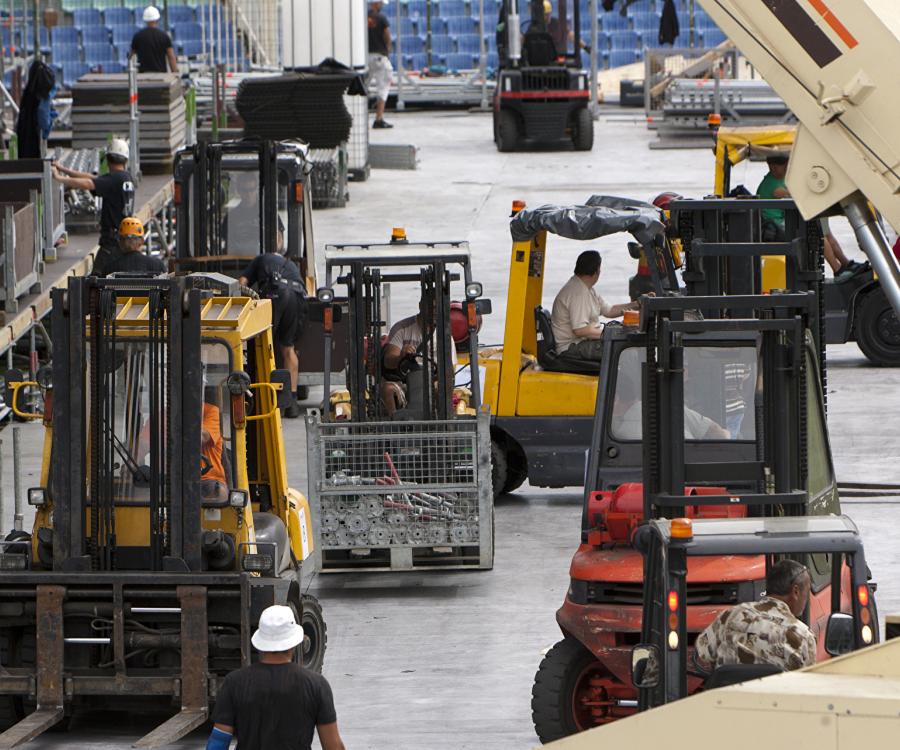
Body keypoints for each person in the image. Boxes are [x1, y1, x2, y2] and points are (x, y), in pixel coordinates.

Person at [208, 605, 345, 750]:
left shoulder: (234, 682)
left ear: (260, 643)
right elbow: (333, 746)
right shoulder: (316, 685)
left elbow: (218, 742)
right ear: (293, 643)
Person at [757, 153, 864, 281]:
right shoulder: (772, 184)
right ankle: (837, 269)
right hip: (776, 226)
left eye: (778, 166)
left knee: (827, 234)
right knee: (818, 234)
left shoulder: (782, 177)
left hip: (784, 221)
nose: (774, 169)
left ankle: (845, 264)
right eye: (772, 166)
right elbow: (795, 195)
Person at [696, 559, 817, 672]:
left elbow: (702, 652)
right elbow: (807, 684)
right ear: (795, 592)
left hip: (726, 693)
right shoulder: (803, 636)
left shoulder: (730, 615)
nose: (806, 600)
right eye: (806, 593)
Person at [239, 244, 305, 419]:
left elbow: (242, 283)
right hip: (297, 295)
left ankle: (265, 397)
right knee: (287, 347)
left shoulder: (260, 259)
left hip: (276, 293)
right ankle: (292, 401)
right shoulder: (289, 264)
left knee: (263, 343)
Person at [52, 137, 135, 276]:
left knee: (94, 281)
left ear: (107, 160)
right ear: (125, 160)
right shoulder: (126, 178)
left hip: (112, 243)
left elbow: (89, 184)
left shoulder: (114, 180)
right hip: (124, 239)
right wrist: (63, 169)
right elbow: (92, 178)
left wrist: (60, 179)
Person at [551, 250, 638, 362]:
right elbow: (580, 330)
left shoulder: (587, 289)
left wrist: (636, 304)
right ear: (597, 271)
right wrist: (610, 334)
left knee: (622, 342)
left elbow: (609, 310)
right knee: (624, 352)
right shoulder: (578, 292)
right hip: (571, 347)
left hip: (581, 343)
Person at [380, 299, 458, 417]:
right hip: (403, 383)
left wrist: (438, 378)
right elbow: (388, 361)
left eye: (437, 308)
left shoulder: (444, 336)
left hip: (431, 384)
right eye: (431, 307)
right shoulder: (402, 328)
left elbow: (450, 370)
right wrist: (401, 356)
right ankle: (394, 424)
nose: (434, 312)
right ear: (421, 306)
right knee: (388, 389)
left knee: (443, 388)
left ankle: (442, 423)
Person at [612, 370, 730, 440]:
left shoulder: (619, 433)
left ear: (616, 398)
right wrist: (726, 436)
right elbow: (713, 429)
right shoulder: (668, 407)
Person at [15, 60, 57, 159]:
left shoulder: (28, 94)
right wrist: (51, 118)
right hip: (35, 145)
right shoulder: (43, 98)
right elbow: (44, 123)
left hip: (24, 144)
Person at [367, 0, 394, 129]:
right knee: (383, 88)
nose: (382, 6)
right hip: (379, 56)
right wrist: (387, 50)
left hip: (365, 57)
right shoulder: (381, 18)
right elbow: (387, 36)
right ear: (376, 3)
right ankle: (379, 118)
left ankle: (358, 117)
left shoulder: (362, 18)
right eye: (381, 3)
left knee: (363, 87)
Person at [130, 6, 177, 74]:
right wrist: (175, 73)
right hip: (161, 76)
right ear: (157, 19)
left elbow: (131, 56)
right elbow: (171, 57)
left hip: (143, 76)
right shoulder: (164, 36)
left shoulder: (137, 36)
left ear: (145, 20)